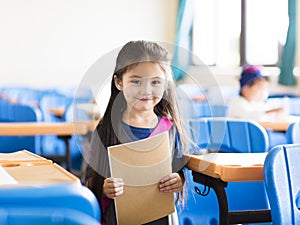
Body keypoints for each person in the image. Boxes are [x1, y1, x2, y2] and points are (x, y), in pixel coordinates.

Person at [84, 40, 189, 225]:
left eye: (156, 82)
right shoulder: (106, 129)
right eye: (136, 81)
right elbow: (90, 181)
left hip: (162, 219)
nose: (146, 90)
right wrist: (103, 187)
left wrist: (179, 180)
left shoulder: (170, 129)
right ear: (119, 82)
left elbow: (182, 173)